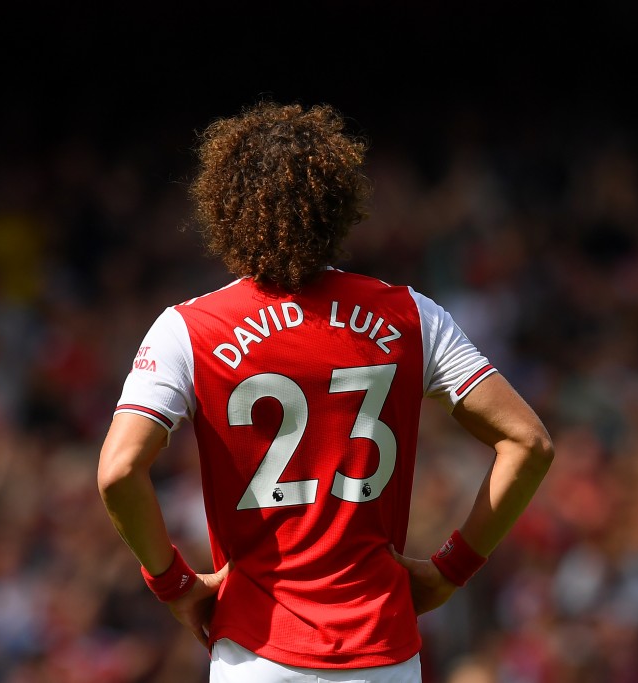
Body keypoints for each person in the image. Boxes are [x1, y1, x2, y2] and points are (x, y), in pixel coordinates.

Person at [97, 101, 554, 683]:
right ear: (336, 207)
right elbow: (529, 443)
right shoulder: (412, 316)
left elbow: (117, 471)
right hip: (382, 650)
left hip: (257, 649)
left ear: (226, 209)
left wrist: (174, 584)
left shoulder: (189, 329)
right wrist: (451, 569)